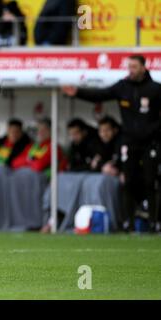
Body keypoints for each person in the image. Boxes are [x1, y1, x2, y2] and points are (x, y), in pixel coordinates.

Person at [62, 55, 161, 233]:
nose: (130, 70)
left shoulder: (155, 89)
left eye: (134, 67)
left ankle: (154, 223)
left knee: (150, 182)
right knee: (127, 182)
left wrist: (153, 131)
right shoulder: (122, 87)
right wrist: (78, 93)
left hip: (150, 143)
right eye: (129, 66)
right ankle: (127, 224)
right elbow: (100, 95)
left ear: (143, 68)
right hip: (129, 143)